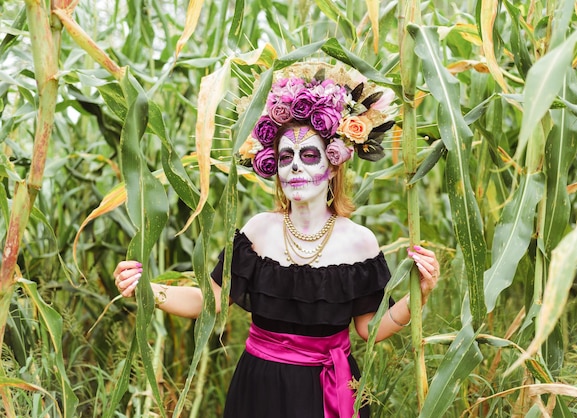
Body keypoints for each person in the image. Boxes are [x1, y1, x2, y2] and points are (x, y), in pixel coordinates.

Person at [113, 63, 440, 418]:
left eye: (310, 155)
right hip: (260, 387)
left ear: (333, 165)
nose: (296, 166)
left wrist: (417, 295)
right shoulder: (258, 231)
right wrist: (147, 289)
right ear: (275, 166)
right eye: (286, 157)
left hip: (328, 390)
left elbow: (369, 329)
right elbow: (211, 300)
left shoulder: (360, 242)